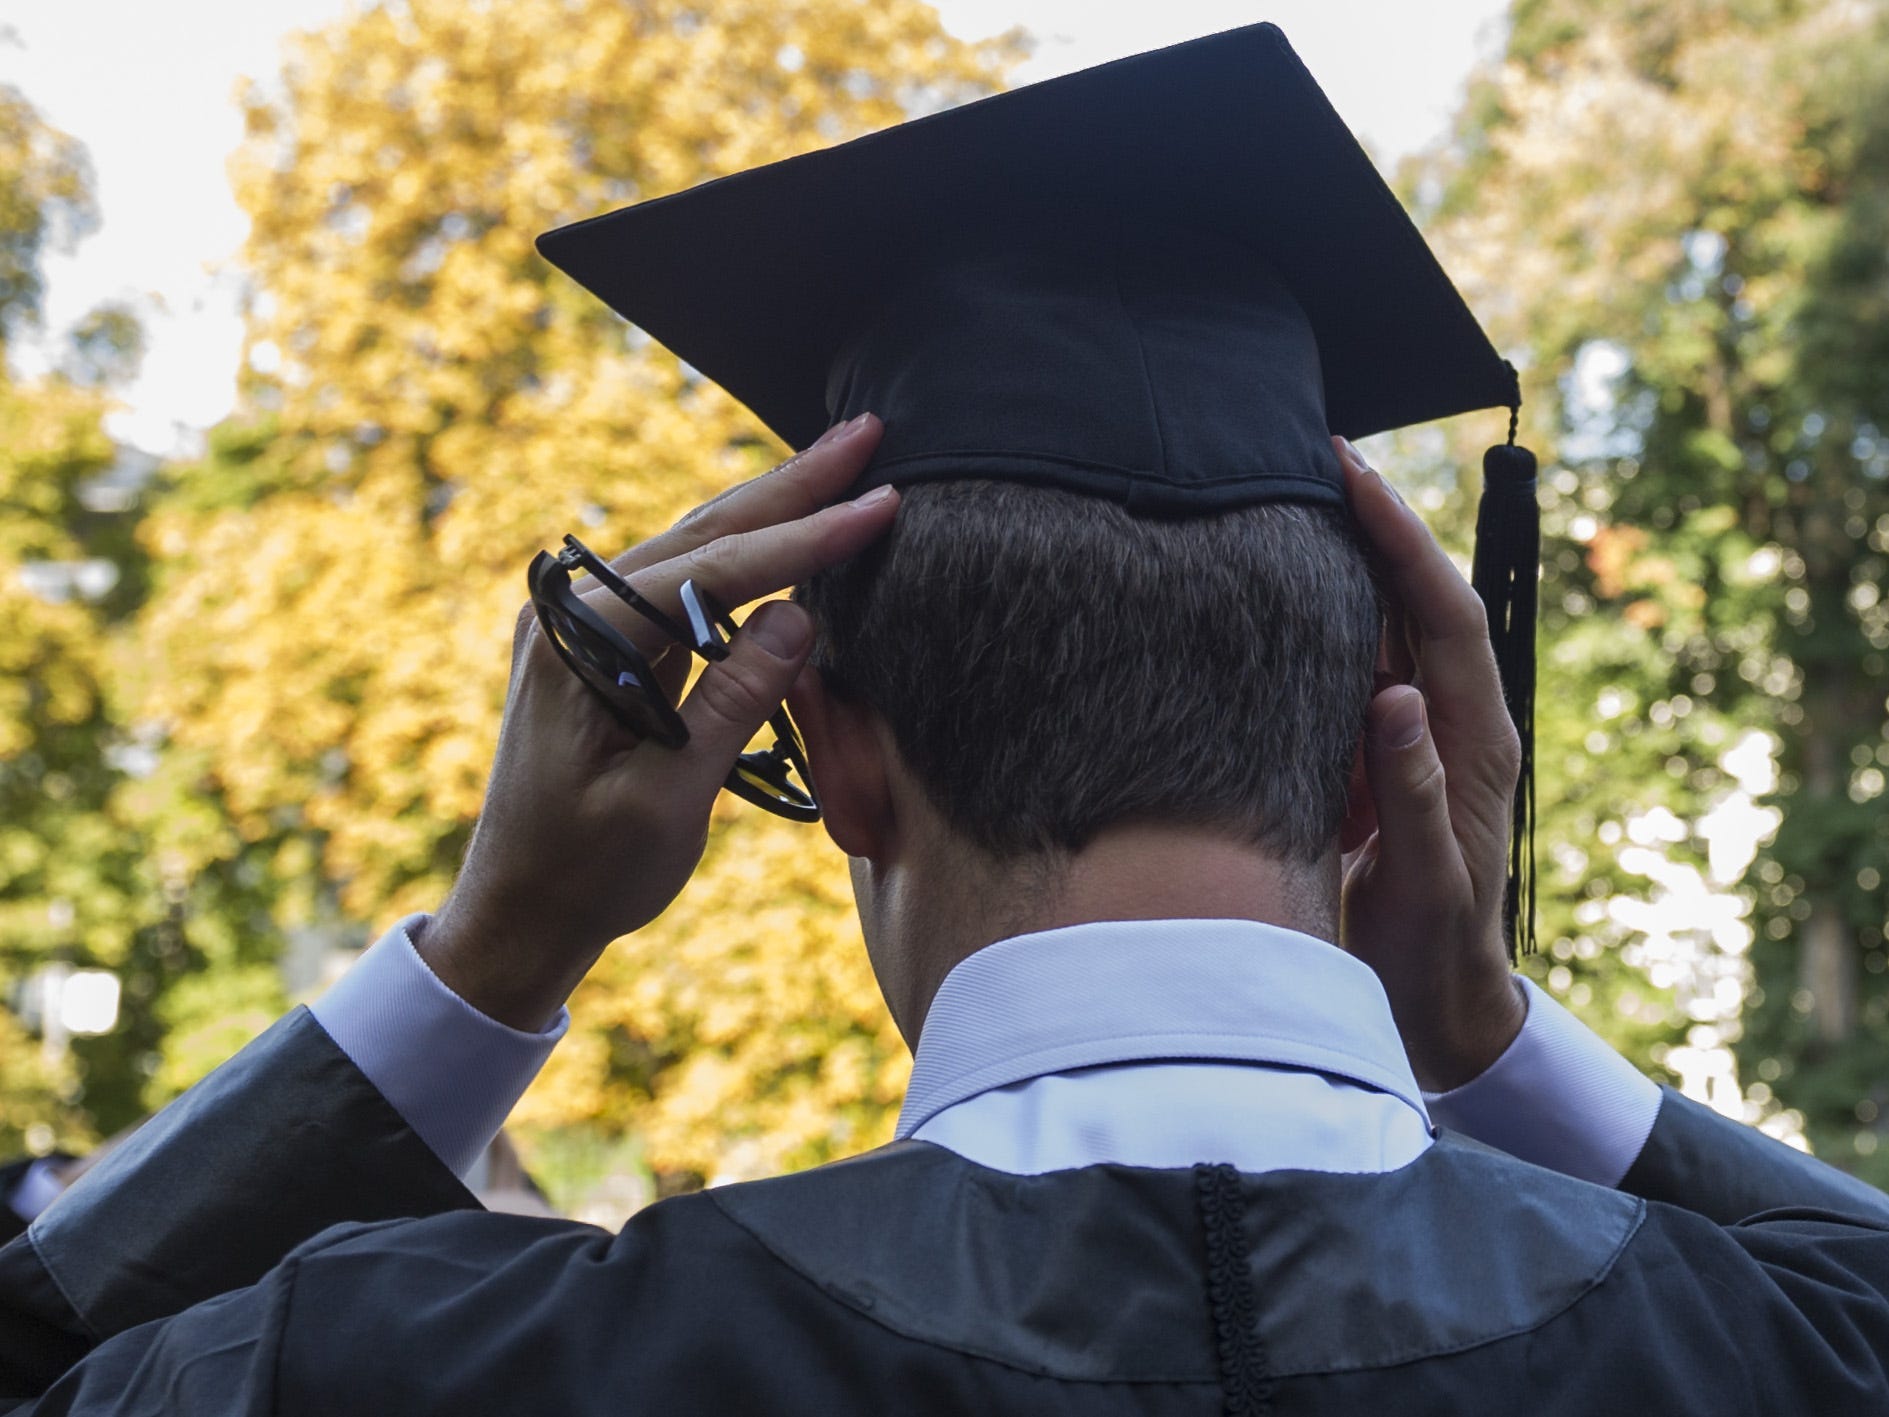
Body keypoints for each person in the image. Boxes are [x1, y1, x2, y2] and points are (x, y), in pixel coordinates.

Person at [4, 22, 1888, 1415]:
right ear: (1380, 764)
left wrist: (498, 945)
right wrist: (1480, 1028)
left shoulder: (404, 1370)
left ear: (832, 746)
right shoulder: (1782, 1355)